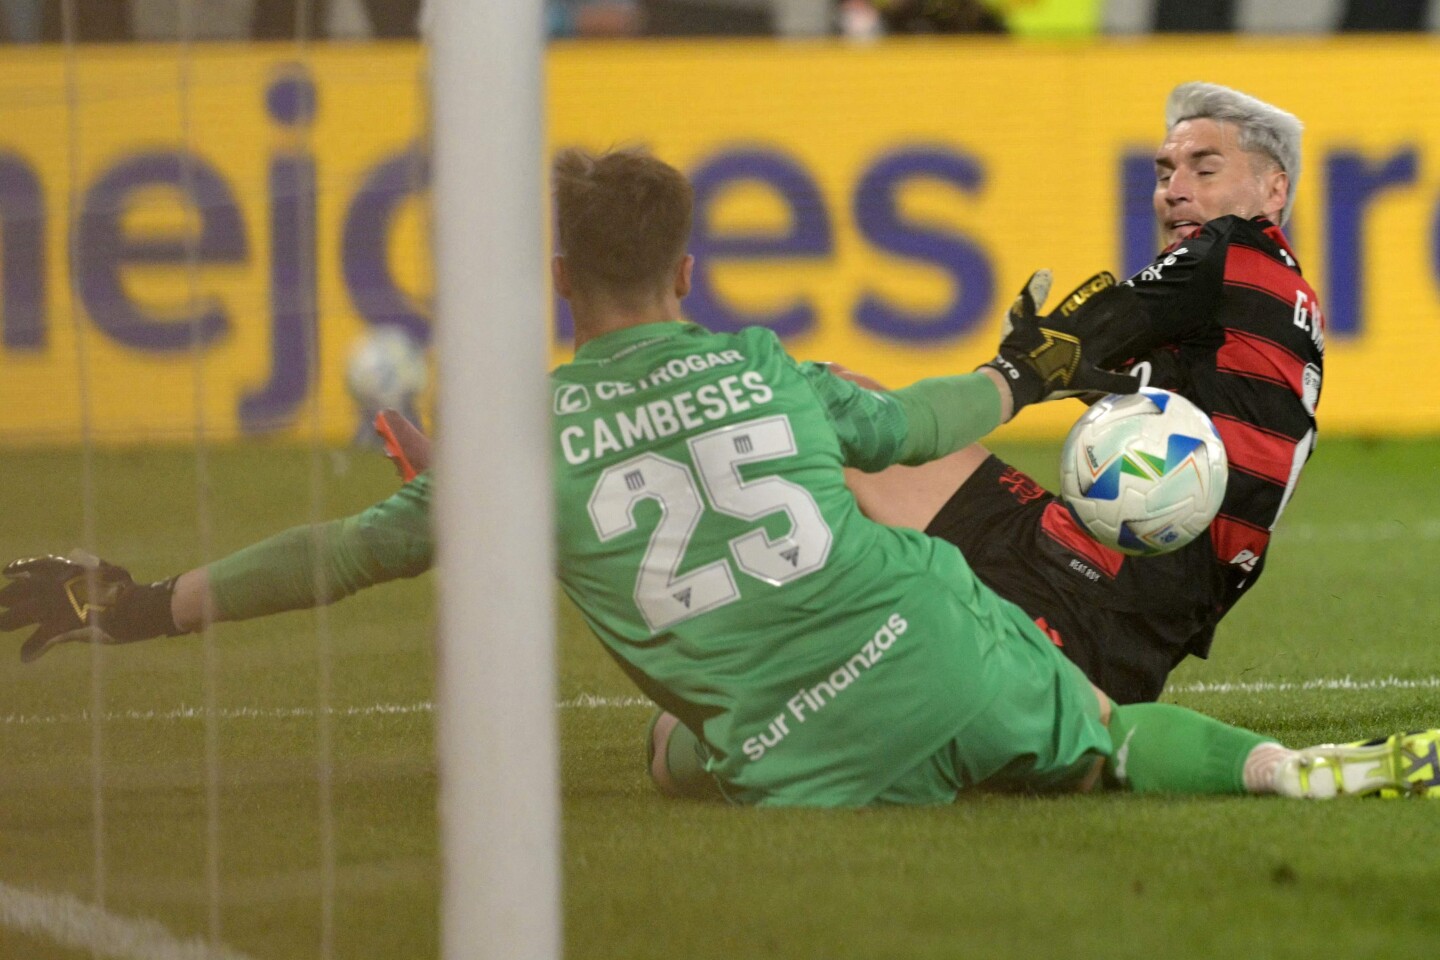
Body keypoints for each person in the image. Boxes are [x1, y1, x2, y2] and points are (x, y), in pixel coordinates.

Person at [2, 146, 1434, 808]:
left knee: (664, 756)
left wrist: (135, 604)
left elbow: (343, 556)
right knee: (1112, 746)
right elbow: (919, 421)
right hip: (946, 653)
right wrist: (1019, 377)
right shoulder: (762, 369)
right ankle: (1287, 772)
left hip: (793, 751)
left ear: (555, 281)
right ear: (686, 270)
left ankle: (737, 749)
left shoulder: (519, 444)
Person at [846, 81, 1324, 705]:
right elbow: (1158, 392)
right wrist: (1078, 366)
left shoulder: (1230, 248)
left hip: (1091, 591)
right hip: (1113, 604)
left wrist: (1029, 360)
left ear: (1275, 189)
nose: (1174, 189)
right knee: (845, 405)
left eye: (1204, 168)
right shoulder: (1280, 304)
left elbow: (1080, 340)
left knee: (835, 417)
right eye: (1164, 172)